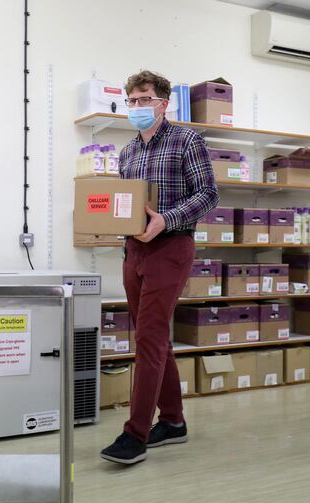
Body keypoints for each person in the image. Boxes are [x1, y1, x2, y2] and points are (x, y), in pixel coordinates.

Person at [100, 70, 219, 465]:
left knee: (148, 340)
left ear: (163, 103)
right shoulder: (127, 153)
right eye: (131, 100)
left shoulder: (188, 141)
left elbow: (208, 194)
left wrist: (165, 220)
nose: (136, 107)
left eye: (144, 99)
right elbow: (124, 204)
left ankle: (135, 435)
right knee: (156, 340)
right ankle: (173, 421)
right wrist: (121, 233)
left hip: (171, 246)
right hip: (134, 251)